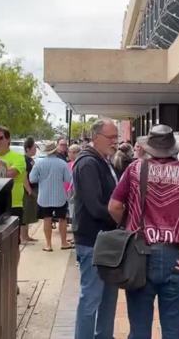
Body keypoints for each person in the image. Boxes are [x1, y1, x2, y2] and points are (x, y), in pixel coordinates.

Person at [108, 124, 179, 339]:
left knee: (139, 325)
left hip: (139, 252)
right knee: (173, 324)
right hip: (175, 255)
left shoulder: (135, 169)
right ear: (173, 147)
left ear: (149, 147)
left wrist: (130, 225)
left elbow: (114, 206)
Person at [72, 119, 120, 339]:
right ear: (96, 137)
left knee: (108, 300)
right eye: (111, 138)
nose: (115, 142)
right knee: (91, 299)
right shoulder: (88, 163)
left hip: (105, 241)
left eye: (116, 137)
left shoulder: (102, 160)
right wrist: (122, 216)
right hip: (93, 242)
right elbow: (96, 206)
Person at [29, 140, 73, 252]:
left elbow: (32, 179)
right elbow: (68, 179)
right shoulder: (62, 163)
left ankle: (48, 245)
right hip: (60, 196)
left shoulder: (39, 163)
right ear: (55, 150)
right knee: (62, 219)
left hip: (44, 197)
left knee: (47, 219)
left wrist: (42, 179)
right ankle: (63, 243)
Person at [0, 126, 28, 229]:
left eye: (0, 138)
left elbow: (10, 174)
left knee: (13, 240)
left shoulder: (19, 158)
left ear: (8, 140)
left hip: (14, 204)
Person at [22, 136, 39, 243]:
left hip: (32, 188)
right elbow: (24, 176)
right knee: (25, 214)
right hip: (27, 191)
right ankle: (22, 237)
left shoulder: (31, 160)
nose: (35, 150)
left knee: (29, 215)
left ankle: (26, 236)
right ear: (28, 148)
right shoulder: (24, 160)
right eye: (34, 147)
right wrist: (29, 190)